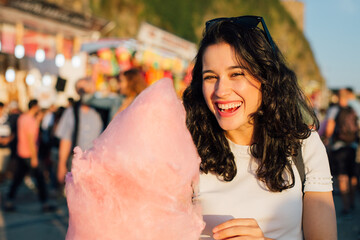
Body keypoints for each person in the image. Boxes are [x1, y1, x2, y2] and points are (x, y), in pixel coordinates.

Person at [182, 16, 336, 240]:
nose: (220, 90)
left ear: (265, 77)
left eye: (236, 74)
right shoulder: (184, 148)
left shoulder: (303, 146)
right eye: (210, 77)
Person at [4, 99, 55, 212]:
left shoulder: (22, 118)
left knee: (17, 179)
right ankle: (45, 203)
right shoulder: (31, 121)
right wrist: (34, 157)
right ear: (35, 107)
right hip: (30, 153)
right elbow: (31, 140)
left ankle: (9, 201)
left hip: (21, 152)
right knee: (40, 178)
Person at [56, 78, 103, 184]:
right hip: (78, 163)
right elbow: (65, 140)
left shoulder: (101, 111)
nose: (83, 91)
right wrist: (61, 164)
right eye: (80, 89)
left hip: (97, 164)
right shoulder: (70, 112)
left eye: (86, 87)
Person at [325, 88, 358, 216]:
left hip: (339, 147)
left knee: (342, 175)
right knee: (352, 175)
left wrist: (327, 139)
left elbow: (329, 127)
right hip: (353, 146)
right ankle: (352, 202)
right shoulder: (353, 110)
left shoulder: (334, 110)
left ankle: (345, 207)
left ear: (338, 97)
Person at [83, 68, 147, 125]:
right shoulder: (117, 100)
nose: (118, 85)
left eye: (121, 81)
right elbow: (89, 100)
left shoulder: (141, 103)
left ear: (131, 83)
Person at [0, 102, 13, 183]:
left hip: (6, 148)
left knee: (3, 169)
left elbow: (13, 132)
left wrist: (9, 139)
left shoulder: (8, 118)